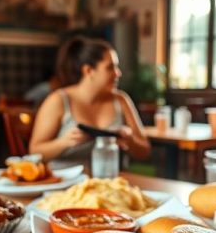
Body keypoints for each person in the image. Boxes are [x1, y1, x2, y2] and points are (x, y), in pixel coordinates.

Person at [30, 37, 151, 168]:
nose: (118, 73)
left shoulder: (121, 100)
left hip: (109, 183)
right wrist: (64, 142)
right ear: (88, 71)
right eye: (110, 67)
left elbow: (144, 151)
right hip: (66, 184)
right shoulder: (58, 100)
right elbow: (34, 152)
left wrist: (130, 140)